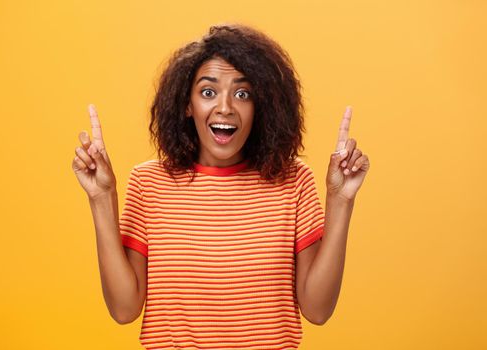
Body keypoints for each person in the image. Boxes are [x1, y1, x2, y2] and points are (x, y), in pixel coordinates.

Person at [72, 23, 369, 350]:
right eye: (208, 92)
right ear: (188, 105)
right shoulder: (148, 183)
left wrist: (340, 200)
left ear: (261, 108)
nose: (225, 107)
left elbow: (317, 309)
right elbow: (124, 309)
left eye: (242, 94)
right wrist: (101, 197)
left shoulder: (293, 180)